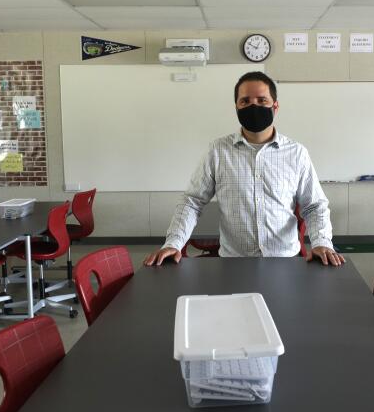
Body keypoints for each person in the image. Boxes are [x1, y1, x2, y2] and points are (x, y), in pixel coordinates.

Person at [144, 71, 344, 267]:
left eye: (262, 100)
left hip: (285, 263)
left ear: (275, 106)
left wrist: (322, 243)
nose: (253, 106)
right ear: (237, 107)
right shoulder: (218, 151)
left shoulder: (296, 153)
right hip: (234, 264)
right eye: (245, 101)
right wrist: (173, 243)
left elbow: (314, 206)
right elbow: (192, 202)